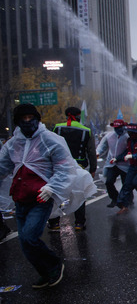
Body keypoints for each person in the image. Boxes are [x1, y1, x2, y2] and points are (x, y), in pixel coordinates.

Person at [0, 103, 95, 288]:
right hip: (20, 197)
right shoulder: (13, 143)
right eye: (23, 119)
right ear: (18, 122)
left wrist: (52, 188)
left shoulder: (50, 139)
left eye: (31, 118)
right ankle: (46, 272)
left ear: (37, 119)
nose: (28, 122)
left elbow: (64, 167)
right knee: (25, 243)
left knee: (29, 236)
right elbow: (3, 166)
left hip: (41, 197)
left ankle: (53, 265)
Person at [47, 107, 97, 231]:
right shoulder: (86, 131)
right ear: (79, 116)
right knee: (78, 194)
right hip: (78, 168)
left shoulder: (57, 128)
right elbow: (91, 152)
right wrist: (93, 169)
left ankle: (54, 223)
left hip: (58, 167)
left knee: (54, 194)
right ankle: (79, 223)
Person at [96, 119, 131, 208]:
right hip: (112, 164)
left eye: (119, 127)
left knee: (126, 185)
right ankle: (115, 198)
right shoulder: (109, 136)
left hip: (125, 164)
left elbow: (130, 150)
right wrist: (97, 153)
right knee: (109, 182)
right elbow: (102, 146)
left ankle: (129, 202)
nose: (118, 129)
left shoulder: (128, 136)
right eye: (116, 127)